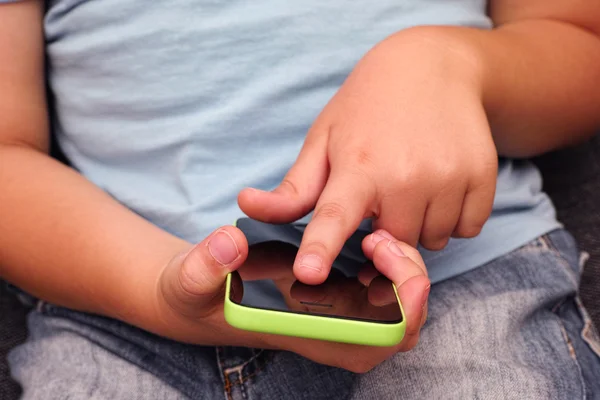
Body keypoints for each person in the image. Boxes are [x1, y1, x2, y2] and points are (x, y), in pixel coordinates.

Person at [1, 0, 600, 398]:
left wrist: (450, 62)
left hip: (458, 284)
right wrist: (158, 287)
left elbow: (580, 44)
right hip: (117, 311)